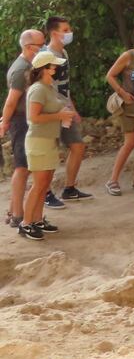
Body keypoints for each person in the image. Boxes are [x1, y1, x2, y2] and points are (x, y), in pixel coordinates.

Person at [17, 49, 74, 240]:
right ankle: (26, 223)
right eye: (54, 65)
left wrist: (63, 115)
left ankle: (37, 219)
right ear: (46, 69)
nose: (57, 67)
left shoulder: (48, 87)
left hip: (48, 140)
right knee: (39, 183)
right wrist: (59, 115)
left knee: (45, 182)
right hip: (38, 141)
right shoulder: (38, 89)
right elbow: (33, 117)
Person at [43, 16, 91, 205]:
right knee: (51, 153)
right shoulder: (46, 55)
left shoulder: (63, 52)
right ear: (54, 33)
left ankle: (69, 188)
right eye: (65, 30)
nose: (69, 33)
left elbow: (64, 85)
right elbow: (43, 86)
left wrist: (72, 107)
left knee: (77, 146)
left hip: (65, 108)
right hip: (52, 111)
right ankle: (46, 193)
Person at [3, 30, 45, 228]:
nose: (43, 47)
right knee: (22, 167)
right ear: (29, 47)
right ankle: (17, 214)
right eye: (41, 44)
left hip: (24, 121)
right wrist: (4, 123)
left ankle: (14, 211)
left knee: (25, 167)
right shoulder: (21, 70)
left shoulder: (28, 66)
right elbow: (11, 102)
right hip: (21, 122)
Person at [104, 25, 134, 196]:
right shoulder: (128, 56)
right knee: (130, 142)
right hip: (130, 103)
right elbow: (110, 75)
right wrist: (122, 93)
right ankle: (112, 180)